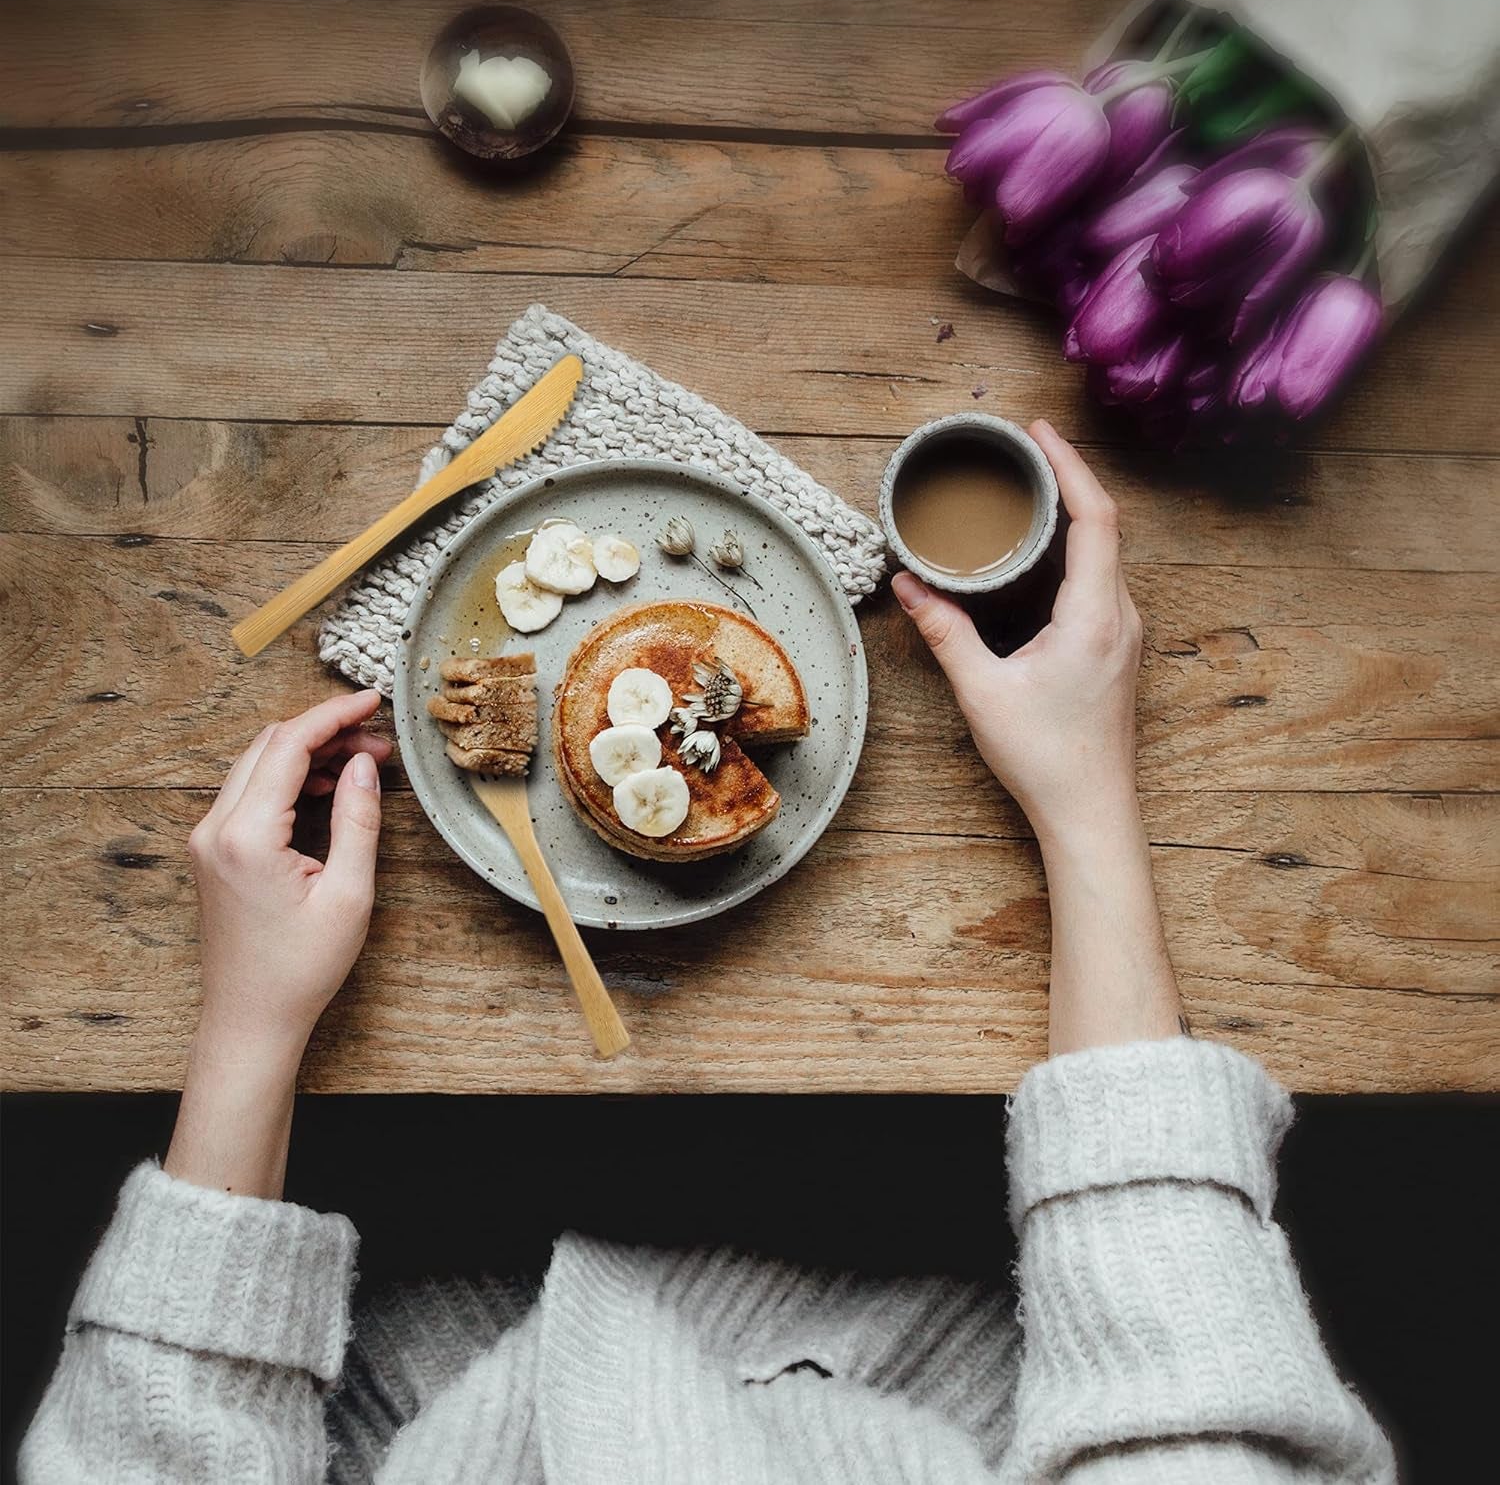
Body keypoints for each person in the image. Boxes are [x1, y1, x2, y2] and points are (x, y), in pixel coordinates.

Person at [20, 423, 1395, 1484]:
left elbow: (146, 1455)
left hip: (418, 1366)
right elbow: (1182, 1372)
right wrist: (1089, 801)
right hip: (970, 1359)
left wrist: (250, 1028)